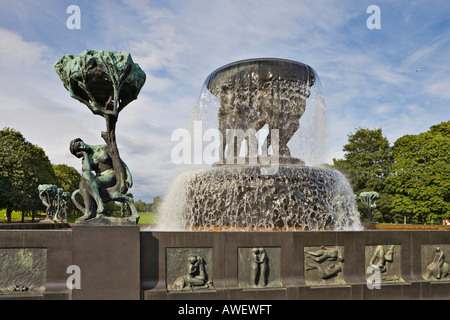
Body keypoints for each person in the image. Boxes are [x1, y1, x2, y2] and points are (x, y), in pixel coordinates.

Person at [70, 138, 138, 222]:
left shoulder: (103, 148)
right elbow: (86, 171)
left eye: (79, 144)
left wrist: (129, 175)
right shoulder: (86, 158)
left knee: (88, 181)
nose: (81, 147)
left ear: (81, 141)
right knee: (82, 184)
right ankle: (89, 212)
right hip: (99, 178)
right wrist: (85, 155)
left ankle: (99, 203)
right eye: (79, 149)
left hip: (111, 175)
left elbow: (119, 161)